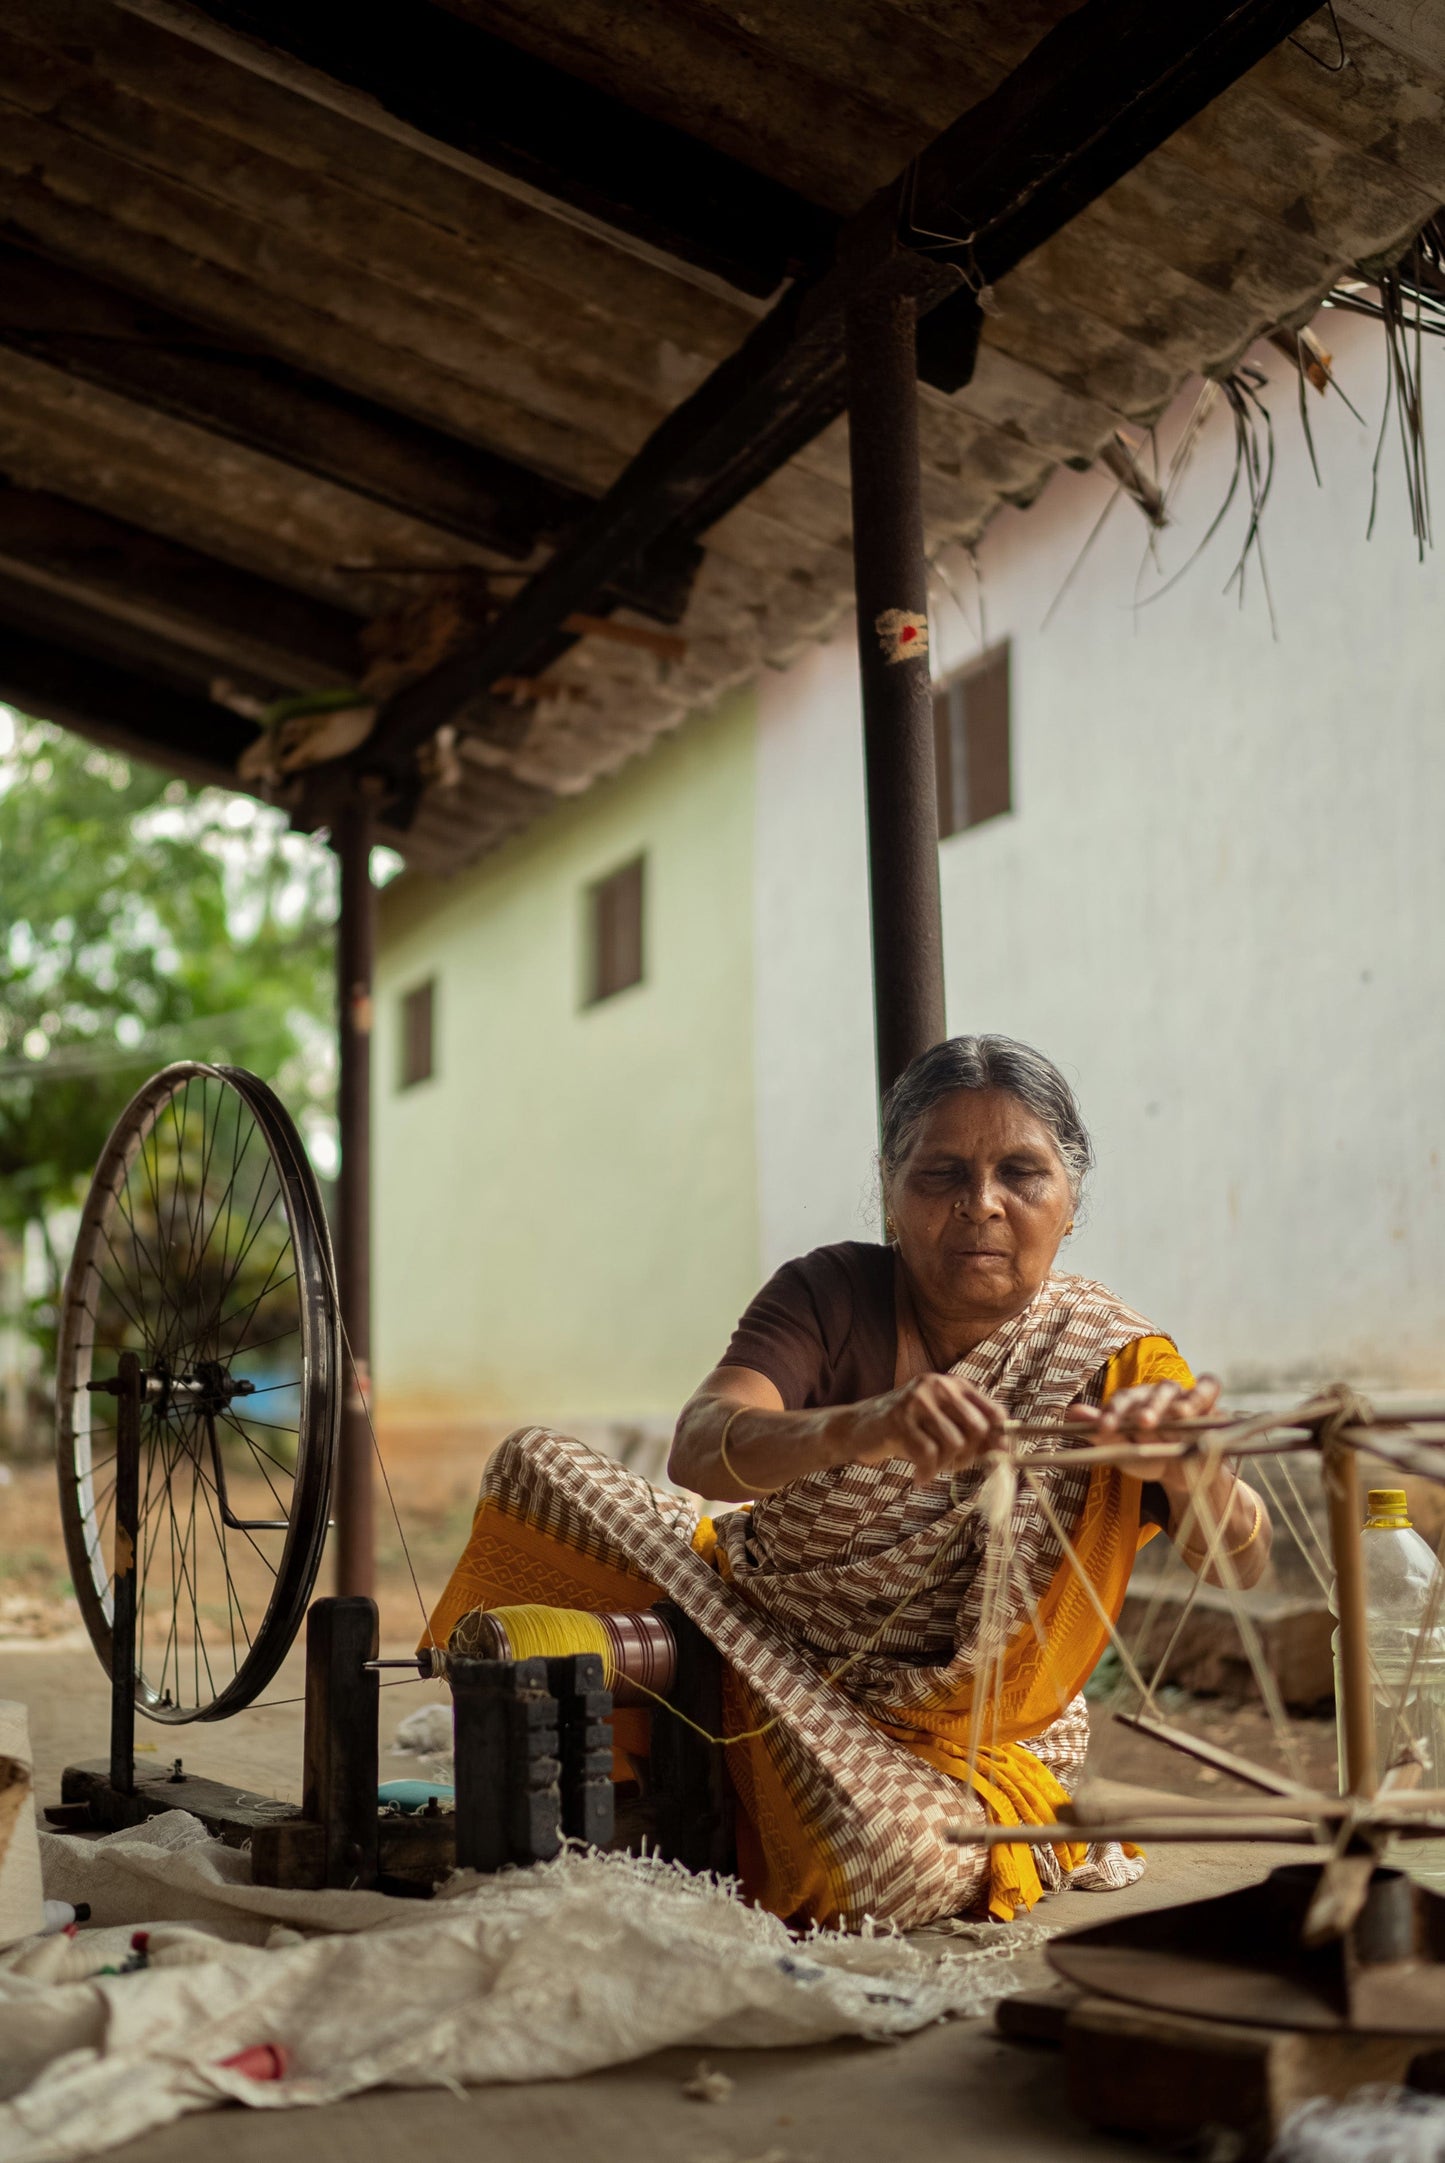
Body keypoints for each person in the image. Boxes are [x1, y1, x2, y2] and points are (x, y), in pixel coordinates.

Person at [425, 1035, 1270, 1932]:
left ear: (1070, 1199)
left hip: (944, 1749)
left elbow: (1238, 1560)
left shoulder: (1113, 1359)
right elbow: (700, 1447)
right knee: (533, 1468)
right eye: (941, 1173)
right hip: (749, 1619)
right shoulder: (830, 1292)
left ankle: (776, 1779)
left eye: (1020, 1173)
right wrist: (859, 1425)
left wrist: (1191, 1472)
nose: (980, 1204)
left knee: (893, 1856)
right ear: (891, 1192)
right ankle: (753, 1751)